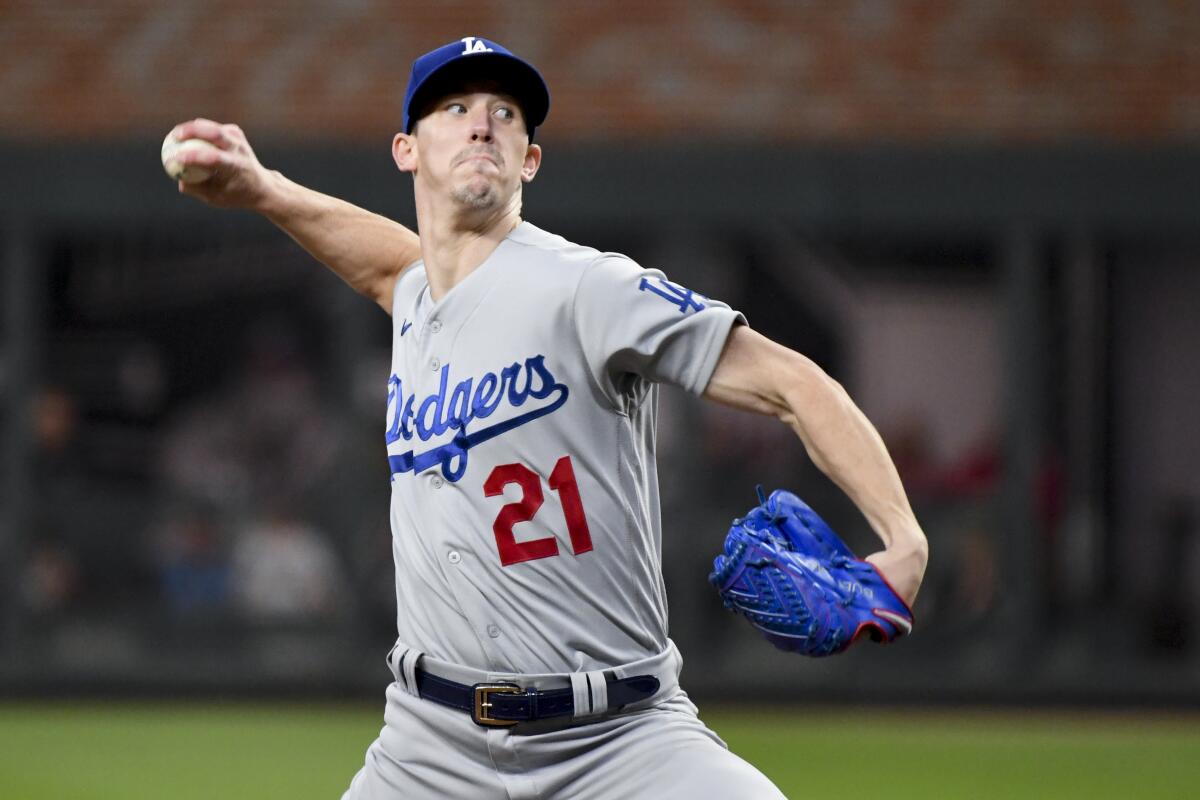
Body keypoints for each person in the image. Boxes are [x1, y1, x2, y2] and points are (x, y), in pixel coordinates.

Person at [168, 36, 928, 800]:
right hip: (429, 748)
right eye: (455, 107)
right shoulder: (414, 298)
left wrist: (904, 539)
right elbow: (384, 264)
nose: (482, 125)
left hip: (622, 739)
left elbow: (793, 382)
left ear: (529, 160)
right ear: (406, 149)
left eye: (506, 114)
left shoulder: (587, 290)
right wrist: (261, 188)